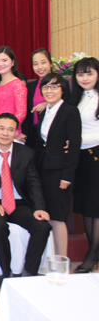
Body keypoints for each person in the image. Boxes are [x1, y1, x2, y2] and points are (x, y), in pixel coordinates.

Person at [0, 113, 51, 282]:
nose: (5, 133)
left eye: (10, 130)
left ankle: (29, 273)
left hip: (18, 203)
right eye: (1, 128)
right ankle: (6, 273)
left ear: (16, 132)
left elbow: (33, 183)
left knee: (43, 227)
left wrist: (39, 208)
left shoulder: (26, 153)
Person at [34, 73, 81, 257]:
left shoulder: (70, 111)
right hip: (43, 169)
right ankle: (49, 259)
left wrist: (67, 176)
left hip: (60, 172)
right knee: (46, 215)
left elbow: (74, 146)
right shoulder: (44, 111)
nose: (49, 91)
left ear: (63, 89)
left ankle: (62, 261)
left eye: (54, 87)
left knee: (58, 217)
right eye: (46, 87)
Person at [71, 57, 99, 272]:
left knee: (95, 208)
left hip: (96, 155)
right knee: (86, 208)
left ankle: (92, 255)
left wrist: (75, 141)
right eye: (80, 74)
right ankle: (94, 252)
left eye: (89, 73)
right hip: (80, 159)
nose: (85, 78)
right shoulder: (77, 97)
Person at [22, 49, 71, 148]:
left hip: (56, 132)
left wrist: (48, 104)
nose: (40, 67)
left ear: (51, 64)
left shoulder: (62, 83)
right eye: (35, 64)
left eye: (43, 62)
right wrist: (24, 133)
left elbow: (67, 107)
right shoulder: (30, 86)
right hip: (34, 133)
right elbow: (27, 114)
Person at [0, 46, 27, 139]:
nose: (0, 64)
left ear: (12, 62)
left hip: (9, 134)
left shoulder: (17, 84)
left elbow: (21, 113)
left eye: (4, 60)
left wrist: (7, 130)